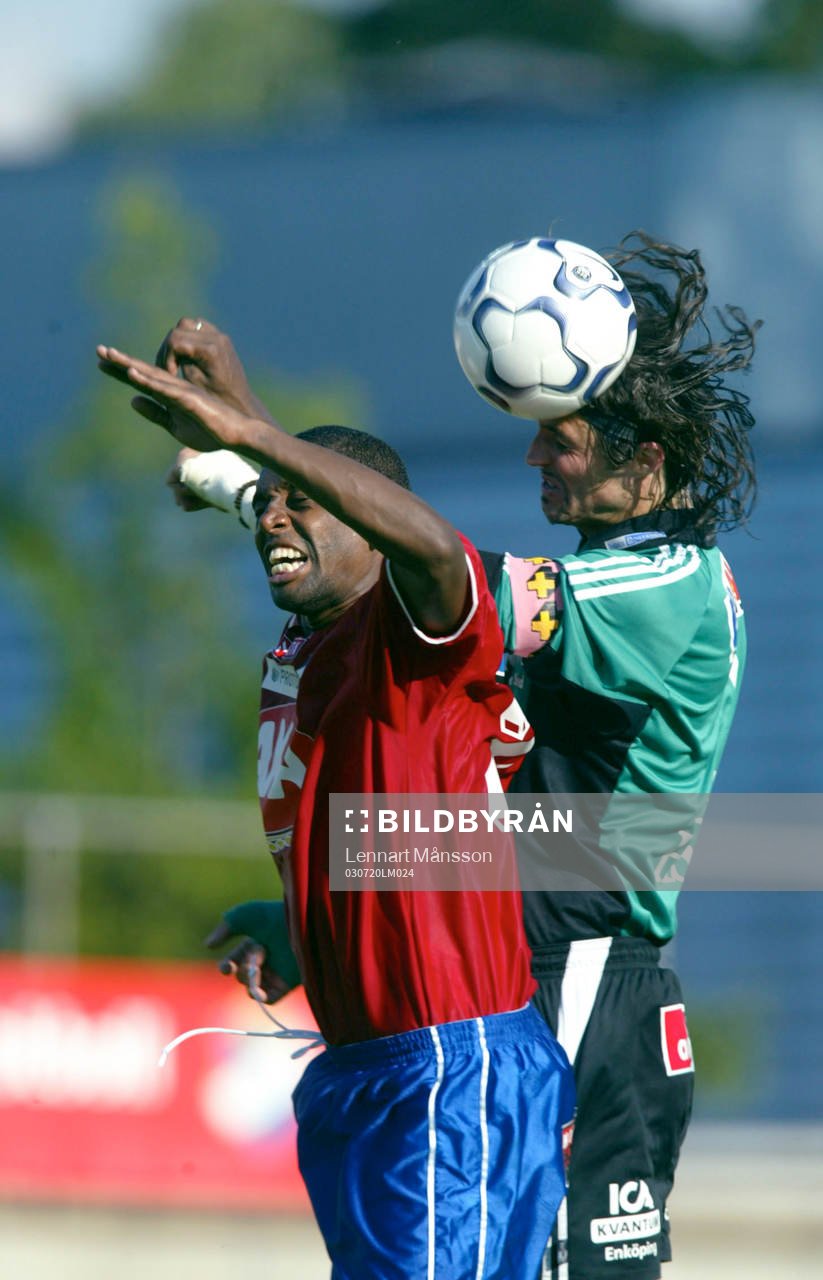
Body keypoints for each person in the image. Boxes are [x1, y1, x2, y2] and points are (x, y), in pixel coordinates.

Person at [160, 229, 758, 1280]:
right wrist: (320, 909)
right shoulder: (611, 569)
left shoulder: (672, 587)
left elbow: (434, 573)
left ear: (643, 458)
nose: (533, 455)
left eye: (557, 438)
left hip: (584, 974)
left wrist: (246, 451)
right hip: (504, 975)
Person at [97, 340, 575, 1280]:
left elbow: (430, 547)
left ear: (366, 529)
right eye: (265, 502)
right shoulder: (307, 645)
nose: (274, 516)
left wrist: (254, 430)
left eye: (298, 499)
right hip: (366, 1068)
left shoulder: (410, 632)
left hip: (451, 1068)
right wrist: (303, 925)